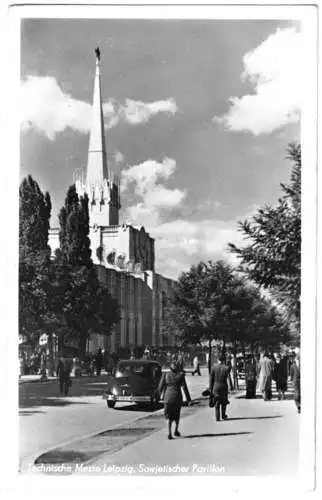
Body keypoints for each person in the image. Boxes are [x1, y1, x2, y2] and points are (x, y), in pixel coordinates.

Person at [158, 361, 191, 439]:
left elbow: (160, 387)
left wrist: (158, 397)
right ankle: (176, 430)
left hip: (167, 398)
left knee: (168, 415)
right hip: (177, 397)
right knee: (176, 414)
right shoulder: (181, 375)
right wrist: (189, 399)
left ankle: (168, 432)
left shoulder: (165, 375)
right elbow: (184, 388)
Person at [209, 356, 230, 421]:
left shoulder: (213, 367)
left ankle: (217, 417)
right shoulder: (226, 368)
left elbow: (211, 379)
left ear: (218, 360)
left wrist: (210, 388)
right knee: (224, 401)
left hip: (216, 386)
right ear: (223, 360)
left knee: (217, 402)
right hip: (223, 385)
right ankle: (223, 415)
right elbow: (229, 370)